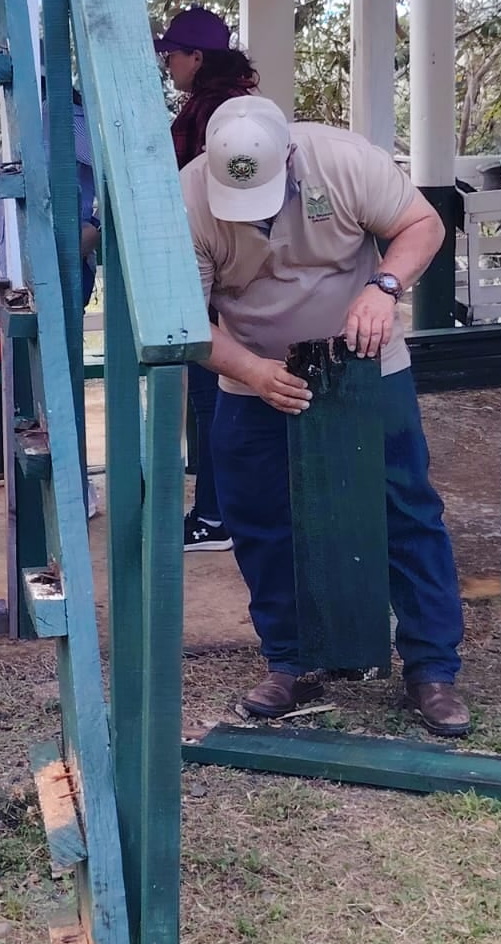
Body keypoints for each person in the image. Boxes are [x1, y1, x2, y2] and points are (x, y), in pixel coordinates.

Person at [180, 95, 469, 737]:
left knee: (405, 509)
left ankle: (431, 668)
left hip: (366, 362)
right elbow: (186, 322)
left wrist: (384, 287)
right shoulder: (189, 198)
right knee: (260, 518)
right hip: (253, 372)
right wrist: (252, 371)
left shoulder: (343, 161)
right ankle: (289, 660)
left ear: (290, 158)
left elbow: (422, 225)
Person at [154, 6, 260, 555]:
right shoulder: (245, 106)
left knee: (211, 393)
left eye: (172, 54)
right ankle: (229, 508)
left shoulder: (211, 114)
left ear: (197, 57)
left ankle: (217, 515)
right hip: (246, 268)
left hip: (212, 266)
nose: (168, 64)